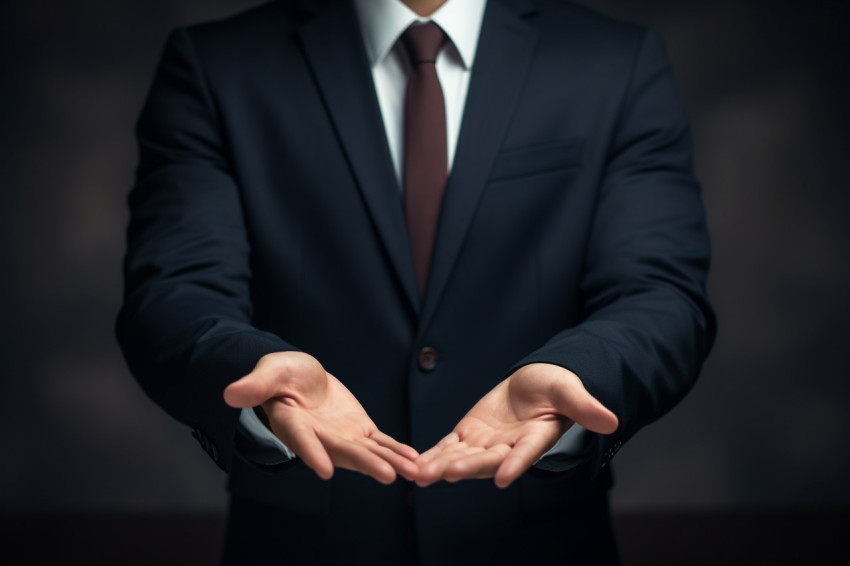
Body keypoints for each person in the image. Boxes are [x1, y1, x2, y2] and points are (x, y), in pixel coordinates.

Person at [116, 0, 715, 564]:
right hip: (303, 543)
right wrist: (257, 369)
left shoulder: (614, 61)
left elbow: (660, 292)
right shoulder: (217, 63)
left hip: (539, 541)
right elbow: (173, 291)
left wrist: (578, 372)